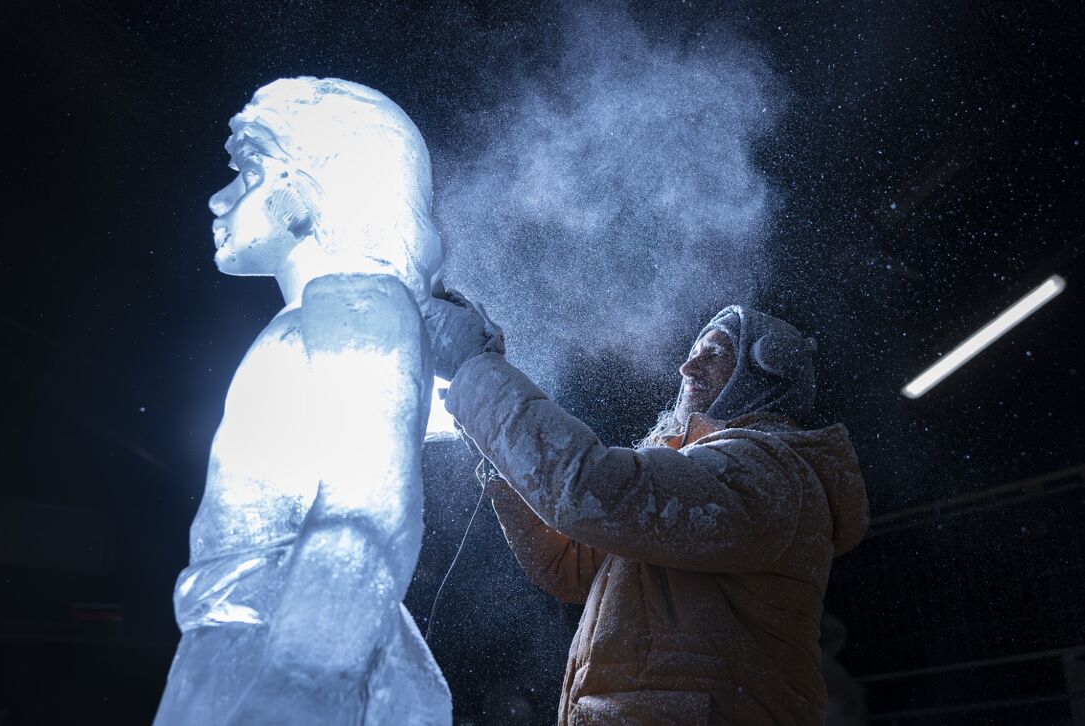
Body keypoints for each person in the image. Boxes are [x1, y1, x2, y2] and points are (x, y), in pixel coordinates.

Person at [155, 78, 451, 724]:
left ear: (303, 191)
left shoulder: (356, 300)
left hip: (289, 642)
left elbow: (368, 504)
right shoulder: (326, 312)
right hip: (246, 643)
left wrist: (305, 675)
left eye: (246, 173)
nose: (218, 197)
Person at [426, 297, 870, 725]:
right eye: (692, 354)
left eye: (713, 355)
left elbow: (587, 490)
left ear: (764, 371)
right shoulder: (697, 482)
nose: (687, 368)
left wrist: (478, 373)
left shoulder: (767, 474)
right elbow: (567, 564)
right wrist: (497, 455)